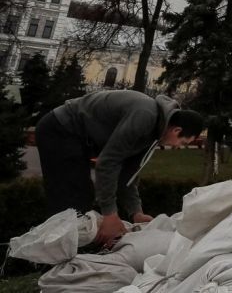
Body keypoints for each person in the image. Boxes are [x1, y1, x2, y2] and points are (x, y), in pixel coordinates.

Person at [35, 90, 204, 246]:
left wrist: (135, 212)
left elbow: (128, 175)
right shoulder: (144, 116)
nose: (178, 147)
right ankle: (52, 257)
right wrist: (110, 215)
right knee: (71, 199)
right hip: (61, 129)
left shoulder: (154, 131)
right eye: (182, 143)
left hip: (77, 139)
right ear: (177, 130)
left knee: (81, 199)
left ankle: (66, 251)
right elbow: (107, 162)